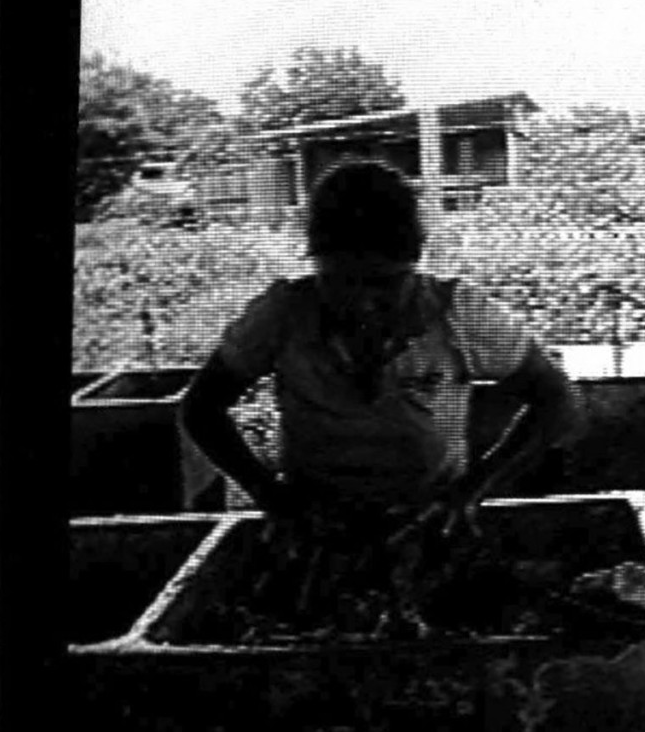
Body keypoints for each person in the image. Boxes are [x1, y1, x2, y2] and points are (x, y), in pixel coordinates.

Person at [180, 160, 585, 544]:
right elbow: (201, 408)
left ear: (413, 264)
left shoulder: (461, 314)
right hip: (315, 523)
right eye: (342, 282)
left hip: (432, 522)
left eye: (383, 284)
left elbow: (558, 399)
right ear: (318, 266)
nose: (363, 303)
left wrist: (473, 489)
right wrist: (270, 496)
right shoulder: (283, 314)